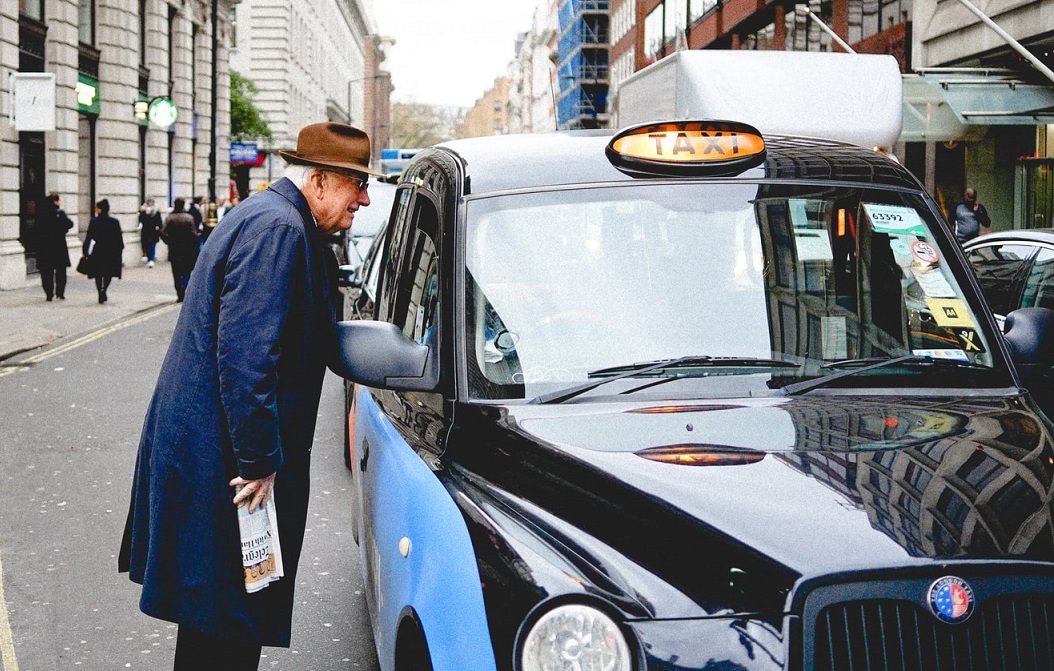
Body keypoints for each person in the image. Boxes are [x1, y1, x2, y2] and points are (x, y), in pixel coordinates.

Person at [118, 122, 378, 669]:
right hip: (230, 463)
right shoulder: (280, 230)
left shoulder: (271, 218)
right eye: (357, 183)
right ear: (323, 180)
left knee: (215, 624)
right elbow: (246, 358)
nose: (365, 197)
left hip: (216, 452)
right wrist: (261, 462)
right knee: (227, 627)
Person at [83, 198, 124, 304]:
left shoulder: (94, 221)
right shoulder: (114, 222)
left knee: (98, 273)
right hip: (111, 251)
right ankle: (104, 289)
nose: (96, 209)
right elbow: (119, 238)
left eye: (97, 208)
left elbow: (89, 237)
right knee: (108, 273)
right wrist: (119, 250)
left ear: (100, 210)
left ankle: (100, 292)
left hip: (98, 251)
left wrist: (86, 250)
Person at [35, 192, 74, 301]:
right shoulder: (59, 213)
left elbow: (36, 229)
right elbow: (70, 224)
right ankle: (60, 293)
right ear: (55, 201)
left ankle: (49, 293)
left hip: (45, 246)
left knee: (46, 271)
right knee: (61, 270)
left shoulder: (41, 214)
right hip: (59, 245)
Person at [160, 197, 200, 302]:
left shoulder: (169, 218)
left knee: (176, 272)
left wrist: (168, 241)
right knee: (187, 270)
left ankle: (179, 293)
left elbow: (162, 232)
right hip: (187, 249)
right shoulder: (189, 218)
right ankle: (185, 288)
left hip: (174, 249)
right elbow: (193, 234)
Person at [138, 198, 162, 267]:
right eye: (149, 202)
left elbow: (159, 220)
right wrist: (145, 214)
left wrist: (159, 227)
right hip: (146, 230)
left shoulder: (156, 210)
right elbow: (141, 219)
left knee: (152, 245)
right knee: (146, 244)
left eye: (151, 202)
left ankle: (151, 259)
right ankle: (149, 258)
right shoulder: (143, 209)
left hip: (154, 231)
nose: (150, 203)